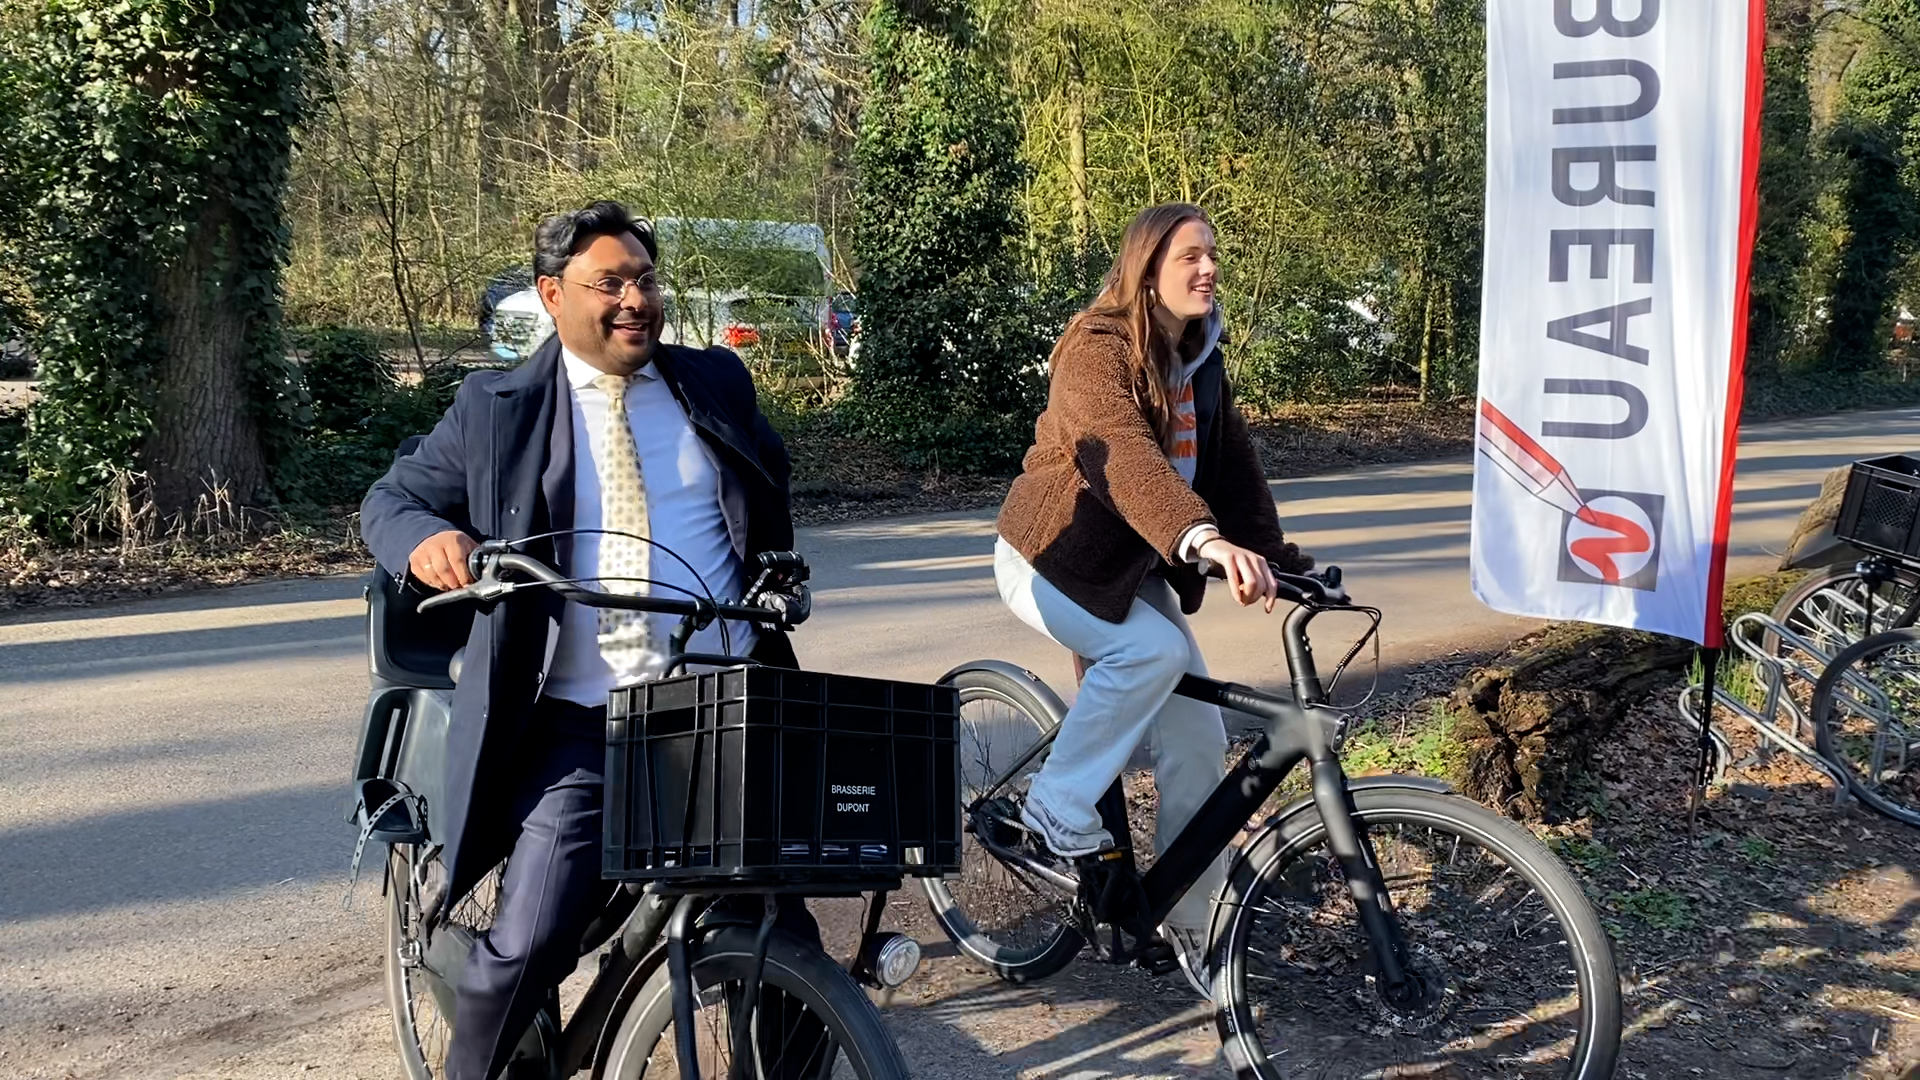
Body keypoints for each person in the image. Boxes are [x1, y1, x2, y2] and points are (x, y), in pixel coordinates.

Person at [360, 201, 804, 1080]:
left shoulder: (714, 381)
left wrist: (777, 572)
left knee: (783, 936)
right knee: (528, 942)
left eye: (645, 279)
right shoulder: (497, 408)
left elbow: (766, 482)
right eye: (610, 283)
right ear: (552, 294)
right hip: (580, 721)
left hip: (723, 706)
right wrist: (427, 539)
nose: (635, 299)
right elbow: (391, 500)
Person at [992, 202, 1315, 999]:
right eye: (1189, 257)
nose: (1208, 268)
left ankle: (1190, 923)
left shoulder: (1200, 359)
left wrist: (1284, 563)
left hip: (1128, 571)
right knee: (1152, 651)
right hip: (1050, 558)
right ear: (1146, 270)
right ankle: (1054, 805)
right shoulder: (1095, 348)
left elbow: (1233, 472)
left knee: (1200, 738)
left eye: (1212, 254)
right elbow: (1127, 459)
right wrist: (1201, 541)